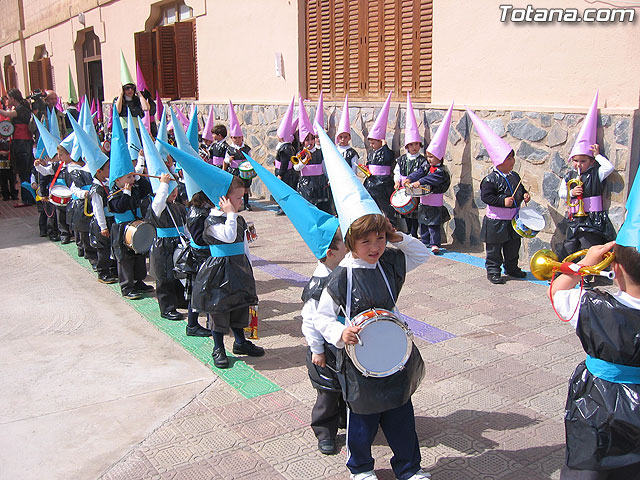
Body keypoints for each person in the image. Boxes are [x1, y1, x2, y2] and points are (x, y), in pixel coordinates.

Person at [314, 127, 431, 480]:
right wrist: (340, 332)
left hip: (392, 353)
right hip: (358, 357)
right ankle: (360, 468)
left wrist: (398, 235)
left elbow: (422, 255)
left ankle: (409, 468)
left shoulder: (390, 263)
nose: (376, 246)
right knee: (362, 420)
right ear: (351, 242)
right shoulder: (342, 276)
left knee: (401, 414)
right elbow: (321, 318)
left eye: (380, 238)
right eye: (367, 241)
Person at [550, 243, 640, 479]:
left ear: (616, 270)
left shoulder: (589, 304)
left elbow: (556, 291)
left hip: (597, 403)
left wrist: (585, 263)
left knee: (588, 463)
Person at [467, 108, 530, 284]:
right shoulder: (490, 179)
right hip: (496, 221)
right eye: (509, 158)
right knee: (494, 249)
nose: (512, 162)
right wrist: (503, 201)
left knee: (513, 246)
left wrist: (524, 195)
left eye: (512, 158)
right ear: (499, 160)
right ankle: (493, 271)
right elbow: (487, 198)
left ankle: (512, 267)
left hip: (513, 220)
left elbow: (520, 188)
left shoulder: (514, 176)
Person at [557, 93, 616, 260]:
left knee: (589, 246)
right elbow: (562, 193)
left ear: (590, 162)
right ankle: (563, 271)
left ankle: (588, 277)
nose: (578, 165)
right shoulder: (569, 176)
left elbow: (609, 167)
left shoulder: (596, 172)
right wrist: (571, 193)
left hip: (592, 218)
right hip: (575, 216)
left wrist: (597, 155)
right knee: (569, 244)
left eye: (583, 161)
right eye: (576, 161)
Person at [404, 101, 454, 252]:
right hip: (424, 199)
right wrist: (410, 178)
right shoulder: (426, 165)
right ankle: (424, 241)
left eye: (431, 157)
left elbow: (430, 179)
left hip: (434, 200)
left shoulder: (441, 171)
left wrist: (418, 182)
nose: (429, 159)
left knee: (433, 223)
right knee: (423, 221)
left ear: (439, 157)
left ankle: (435, 243)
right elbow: (420, 172)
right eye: (428, 156)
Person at [364, 92, 398, 228]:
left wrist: (384, 146)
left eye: (374, 143)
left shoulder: (386, 152)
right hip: (372, 182)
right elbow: (369, 164)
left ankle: (392, 224)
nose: (372, 145)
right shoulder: (372, 153)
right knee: (374, 206)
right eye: (371, 143)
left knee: (386, 206)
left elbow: (389, 159)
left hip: (383, 183)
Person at [294, 94, 332, 214]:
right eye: (307, 140)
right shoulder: (300, 153)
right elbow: (296, 167)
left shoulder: (319, 152)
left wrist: (328, 177)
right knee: (308, 207)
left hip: (319, 182)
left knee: (321, 206)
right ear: (302, 141)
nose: (310, 142)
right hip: (306, 183)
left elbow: (324, 166)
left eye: (311, 139)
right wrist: (305, 160)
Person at [0, 89, 34, 207]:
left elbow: (6, 114)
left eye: (8, 98)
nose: (7, 100)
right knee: (24, 172)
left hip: (22, 144)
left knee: (24, 172)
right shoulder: (22, 109)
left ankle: (27, 198)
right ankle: (28, 197)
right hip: (21, 143)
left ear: (13, 98)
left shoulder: (20, 110)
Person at [224, 101, 253, 211]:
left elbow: (250, 158)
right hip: (234, 171)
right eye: (235, 138)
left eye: (239, 137)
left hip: (244, 172)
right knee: (235, 188)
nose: (237, 140)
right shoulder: (230, 149)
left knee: (245, 188)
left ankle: (246, 203)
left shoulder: (246, 148)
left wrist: (248, 161)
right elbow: (225, 159)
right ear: (231, 138)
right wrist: (228, 160)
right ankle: (235, 203)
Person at [274, 96, 298, 215]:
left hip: (285, 173)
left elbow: (284, 163)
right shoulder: (288, 146)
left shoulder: (284, 148)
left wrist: (280, 174)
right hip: (288, 172)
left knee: (283, 189)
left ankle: (284, 207)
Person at [335, 95, 359, 174]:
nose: (343, 139)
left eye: (345, 137)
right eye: (341, 137)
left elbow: (354, 168)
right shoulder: (335, 150)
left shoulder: (352, 153)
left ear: (349, 138)